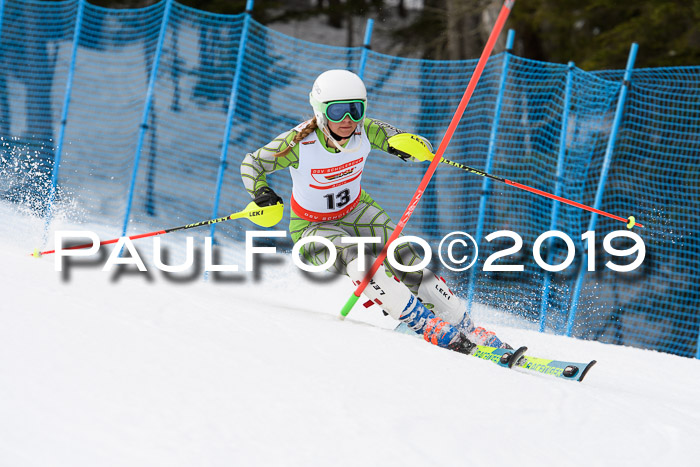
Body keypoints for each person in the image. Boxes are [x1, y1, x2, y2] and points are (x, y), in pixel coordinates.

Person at [240, 69, 509, 354]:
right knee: (361, 262)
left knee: (406, 258)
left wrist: (411, 147)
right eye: (338, 111)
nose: (348, 120)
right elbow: (252, 163)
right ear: (320, 112)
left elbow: (411, 141)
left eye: (356, 110)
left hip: (358, 211)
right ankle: (422, 322)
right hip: (312, 226)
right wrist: (262, 193)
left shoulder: (365, 129)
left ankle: (465, 325)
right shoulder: (298, 143)